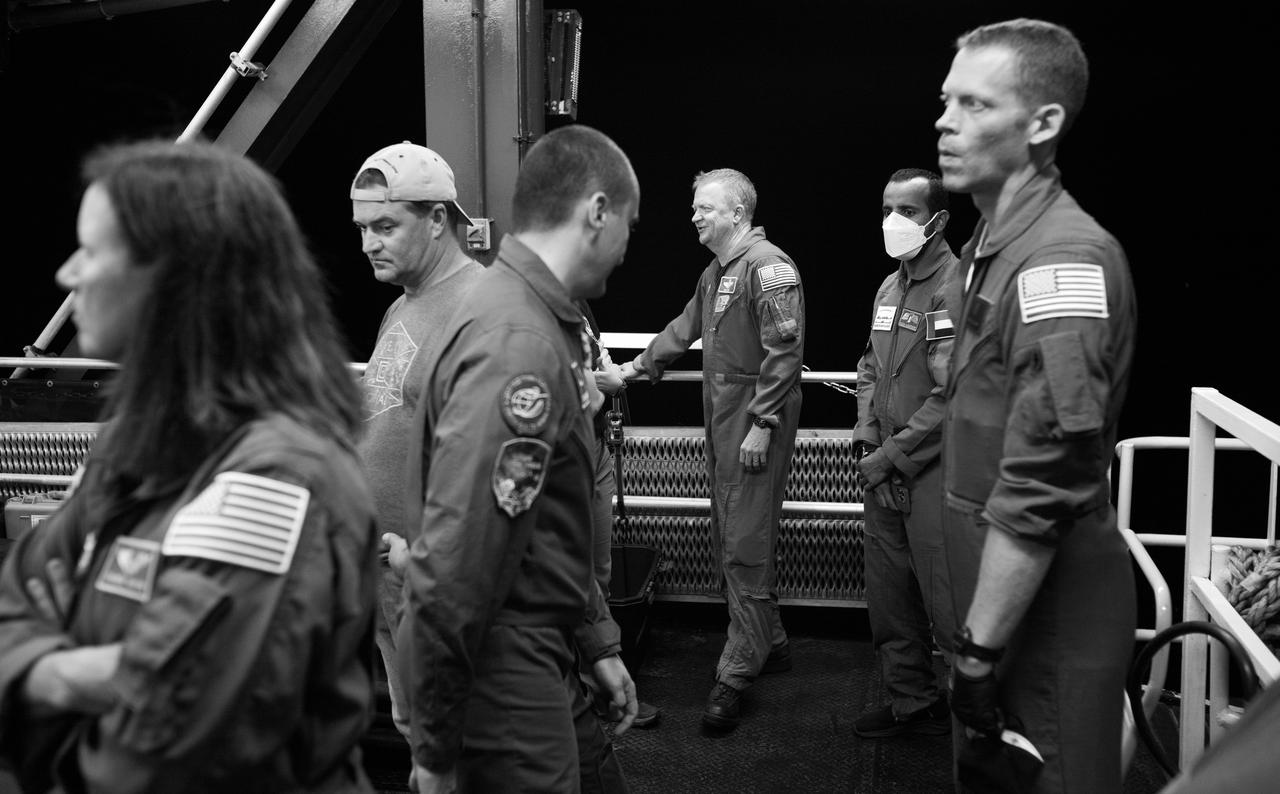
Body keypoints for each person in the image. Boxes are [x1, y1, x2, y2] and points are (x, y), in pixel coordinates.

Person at [0, 138, 379, 792]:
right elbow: (13, 600)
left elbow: (151, 765)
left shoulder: (278, 479)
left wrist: (31, 707)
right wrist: (61, 675)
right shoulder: (128, 445)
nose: (67, 273)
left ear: (177, 279)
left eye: (90, 250)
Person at [398, 124, 641, 794]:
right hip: (502, 674)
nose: (626, 250)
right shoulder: (518, 344)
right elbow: (455, 571)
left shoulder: (531, 317)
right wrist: (437, 750)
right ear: (596, 212)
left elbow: (539, 526)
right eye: (629, 223)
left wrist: (595, 641)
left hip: (540, 646)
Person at [935, 18, 1138, 793]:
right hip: (995, 603)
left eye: (976, 105)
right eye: (946, 101)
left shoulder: (1062, 263)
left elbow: (1046, 477)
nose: (946, 122)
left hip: (1045, 618)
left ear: (1045, 123)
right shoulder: (989, 250)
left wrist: (981, 653)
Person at [620, 168, 804, 731]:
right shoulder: (717, 271)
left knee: (744, 546)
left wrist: (763, 423)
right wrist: (634, 368)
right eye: (695, 207)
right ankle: (769, 639)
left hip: (752, 423)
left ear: (737, 215)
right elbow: (684, 327)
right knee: (731, 529)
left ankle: (736, 672)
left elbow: (785, 349)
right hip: (724, 418)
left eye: (705, 208)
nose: (694, 216)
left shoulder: (768, 267)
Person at [350, 140, 484, 743]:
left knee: (467, 745)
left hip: (443, 595)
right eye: (361, 228)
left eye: (384, 225)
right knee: (418, 731)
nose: (368, 244)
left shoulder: (483, 309)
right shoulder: (403, 304)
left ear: (437, 220)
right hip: (389, 578)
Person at [852, 168, 960, 739]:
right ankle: (912, 703)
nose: (895, 222)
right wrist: (870, 439)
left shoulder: (955, 288)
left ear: (937, 220)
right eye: (888, 209)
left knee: (950, 608)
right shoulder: (889, 289)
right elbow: (870, 368)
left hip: (934, 476)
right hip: (885, 469)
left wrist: (893, 456)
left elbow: (955, 395)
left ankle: (977, 727)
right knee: (890, 600)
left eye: (909, 212)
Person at [577, 299, 662, 731]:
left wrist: (610, 373)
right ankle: (576, 696)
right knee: (570, 575)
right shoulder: (525, 299)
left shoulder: (578, 301)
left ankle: (602, 686)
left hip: (595, 453)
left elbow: (598, 353)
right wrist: (602, 382)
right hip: (565, 455)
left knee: (600, 572)